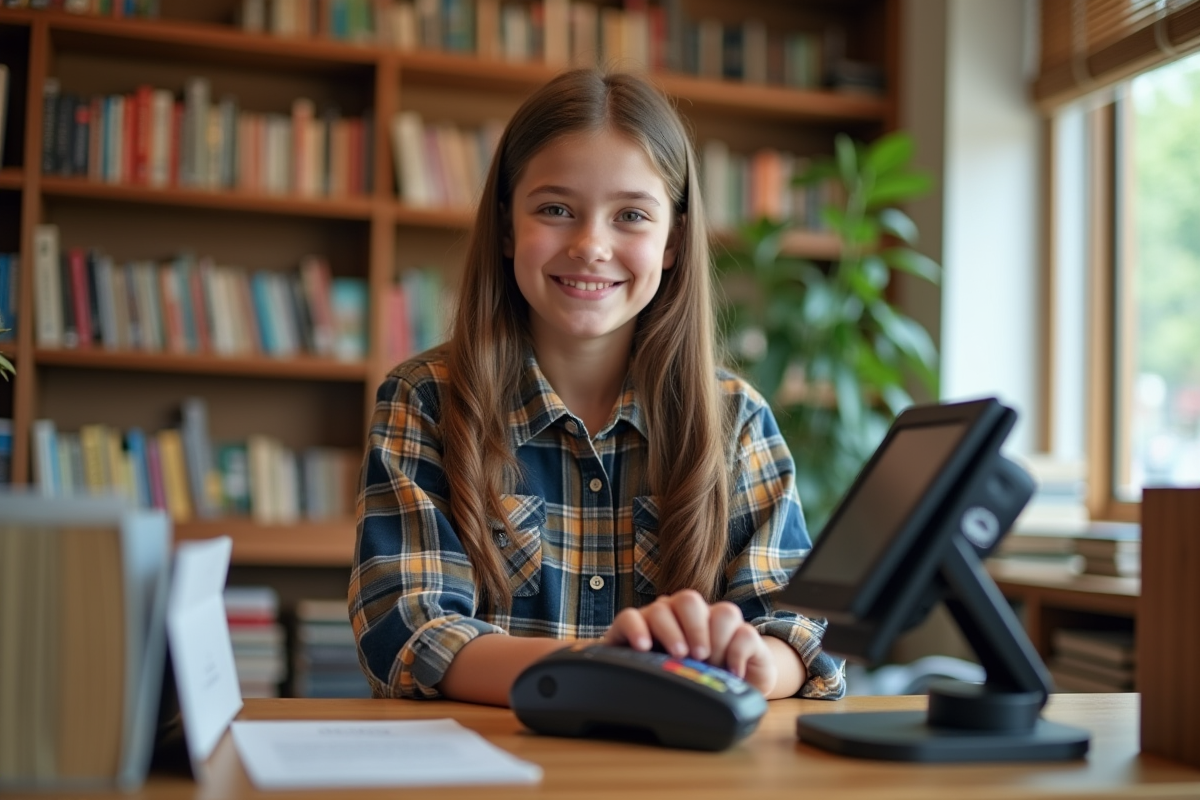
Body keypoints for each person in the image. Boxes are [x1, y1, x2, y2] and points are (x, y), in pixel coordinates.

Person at [349, 68, 845, 706]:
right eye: (556, 210)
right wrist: (609, 667)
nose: (591, 245)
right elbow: (410, 633)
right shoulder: (423, 400)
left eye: (632, 215)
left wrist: (753, 660)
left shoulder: (736, 419)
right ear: (506, 227)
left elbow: (799, 632)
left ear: (673, 241)